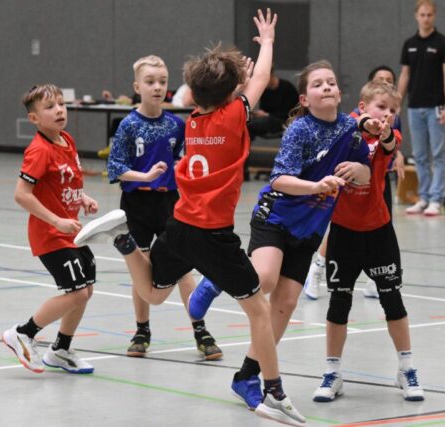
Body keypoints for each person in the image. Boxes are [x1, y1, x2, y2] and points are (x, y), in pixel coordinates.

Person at [75, 9, 308, 426]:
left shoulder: (193, 121)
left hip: (179, 225)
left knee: (153, 293)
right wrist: (268, 41)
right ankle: (274, 392)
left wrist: (235, 84)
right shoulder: (232, 116)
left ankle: (124, 239)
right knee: (259, 310)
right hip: (213, 234)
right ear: (231, 93)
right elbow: (259, 79)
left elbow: (236, 89)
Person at [189, 60, 390, 412]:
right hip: (277, 217)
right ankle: (218, 277)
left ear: (339, 92)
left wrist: (359, 169)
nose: (326, 87)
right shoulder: (300, 130)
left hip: (310, 229)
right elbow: (279, 180)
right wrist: (316, 185)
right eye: (318, 84)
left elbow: (366, 176)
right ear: (305, 98)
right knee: (264, 280)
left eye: (331, 82)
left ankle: (247, 376)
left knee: (284, 305)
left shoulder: (352, 130)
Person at [311, 79, 424, 403]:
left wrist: (382, 131)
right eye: (381, 107)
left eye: (393, 110)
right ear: (363, 107)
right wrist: (362, 123)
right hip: (343, 231)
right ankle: (333, 372)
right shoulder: (345, 127)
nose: (387, 114)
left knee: (393, 301)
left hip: (378, 231)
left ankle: (406, 368)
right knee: (339, 303)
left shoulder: (391, 136)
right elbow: (345, 124)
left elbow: (388, 143)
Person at [107, 55, 221, 359]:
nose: (157, 87)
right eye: (150, 82)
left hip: (171, 203)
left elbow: (188, 161)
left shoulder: (176, 125)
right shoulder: (128, 125)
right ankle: (141, 330)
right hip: (137, 204)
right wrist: (144, 176)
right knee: (142, 268)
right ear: (137, 87)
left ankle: (200, 330)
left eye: (162, 82)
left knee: (183, 267)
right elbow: (115, 167)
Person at [2, 83, 99, 374]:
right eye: (49, 107)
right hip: (51, 234)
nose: (59, 110)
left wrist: (82, 197)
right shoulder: (39, 151)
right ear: (34, 118)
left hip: (72, 232)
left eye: (61, 104)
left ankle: (61, 350)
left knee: (86, 289)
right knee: (77, 293)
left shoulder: (66, 139)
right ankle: (23, 333)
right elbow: (21, 194)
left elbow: (62, 182)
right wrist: (56, 220)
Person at [303, 65, 404, 300]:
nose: (386, 83)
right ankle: (317, 268)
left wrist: (395, 151)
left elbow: (391, 142)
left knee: (379, 224)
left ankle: (375, 278)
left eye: (390, 80)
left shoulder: (391, 124)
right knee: (341, 227)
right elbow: (345, 126)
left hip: (377, 182)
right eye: (381, 80)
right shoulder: (351, 122)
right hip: (345, 189)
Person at [398, 0, 445, 216]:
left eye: (429, 15)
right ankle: (423, 197)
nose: (426, 18)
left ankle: (436, 199)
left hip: (436, 106)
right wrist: (397, 102)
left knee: (439, 155)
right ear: (416, 16)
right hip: (414, 106)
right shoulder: (409, 44)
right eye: (422, 15)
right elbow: (405, 75)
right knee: (419, 155)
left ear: (435, 16)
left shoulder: (444, 43)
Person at [247, 67, 299, 140]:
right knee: (245, 122)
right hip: (269, 119)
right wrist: (258, 114)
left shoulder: (287, 87)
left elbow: (291, 113)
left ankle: (245, 145)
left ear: (271, 75)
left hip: (284, 121)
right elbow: (264, 109)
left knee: (251, 125)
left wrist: (267, 114)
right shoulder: (265, 90)